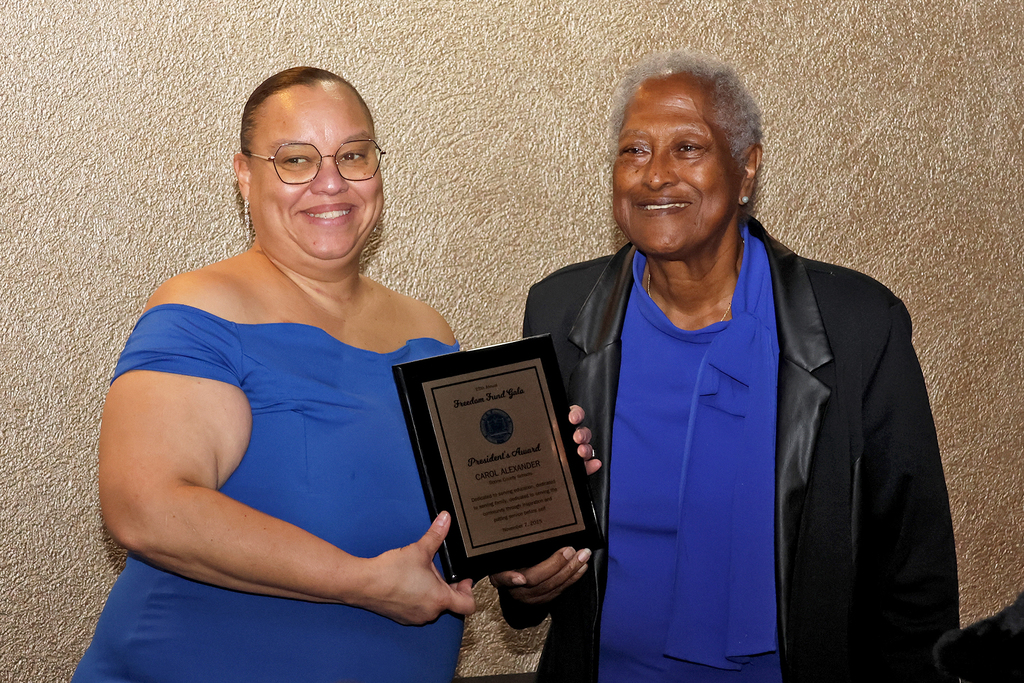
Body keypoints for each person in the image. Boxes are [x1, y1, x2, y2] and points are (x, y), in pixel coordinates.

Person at [491, 51, 959, 683]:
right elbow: (534, 549)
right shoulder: (561, 312)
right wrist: (527, 584)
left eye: (687, 148)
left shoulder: (857, 326)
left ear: (747, 170)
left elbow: (913, 569)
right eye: (633, 151)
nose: (655, 176)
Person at [74, 66, 551, 683]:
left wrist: (531, 535)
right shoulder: (200, 311)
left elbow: (450, 526)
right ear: (244, 175)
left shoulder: (430, 334)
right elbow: (146, 508)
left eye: (353, 155)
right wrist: (361, 583)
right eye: (296, 160)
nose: (331, 183)